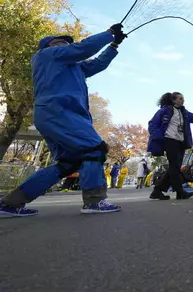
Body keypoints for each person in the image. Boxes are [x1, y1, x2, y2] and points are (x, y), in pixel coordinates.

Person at [0, 25, 127, 217]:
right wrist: (109, 33)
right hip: (59, 112)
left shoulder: (72, 66)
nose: (66, 44)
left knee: (67, 163)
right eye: (60, 41)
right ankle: (94, 201)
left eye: (68, 42)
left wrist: (114, 45)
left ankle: (11, 203)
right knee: (94, 149)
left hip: (54, 115)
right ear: (49, 45)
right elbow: (83, 48)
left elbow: (96, 64)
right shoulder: (47, 55)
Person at [147, 92, 193, 200]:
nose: (182, 100)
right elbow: (152, 124)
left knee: (175, 167)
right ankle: (180, 192)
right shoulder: (164, 111)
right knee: (175, 167)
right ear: (173, 100)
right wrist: (159, 137)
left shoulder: (184, 112)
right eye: (180, 98)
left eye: (183, 99)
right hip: (170, 140)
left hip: (181, 142)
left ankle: (157, 191)